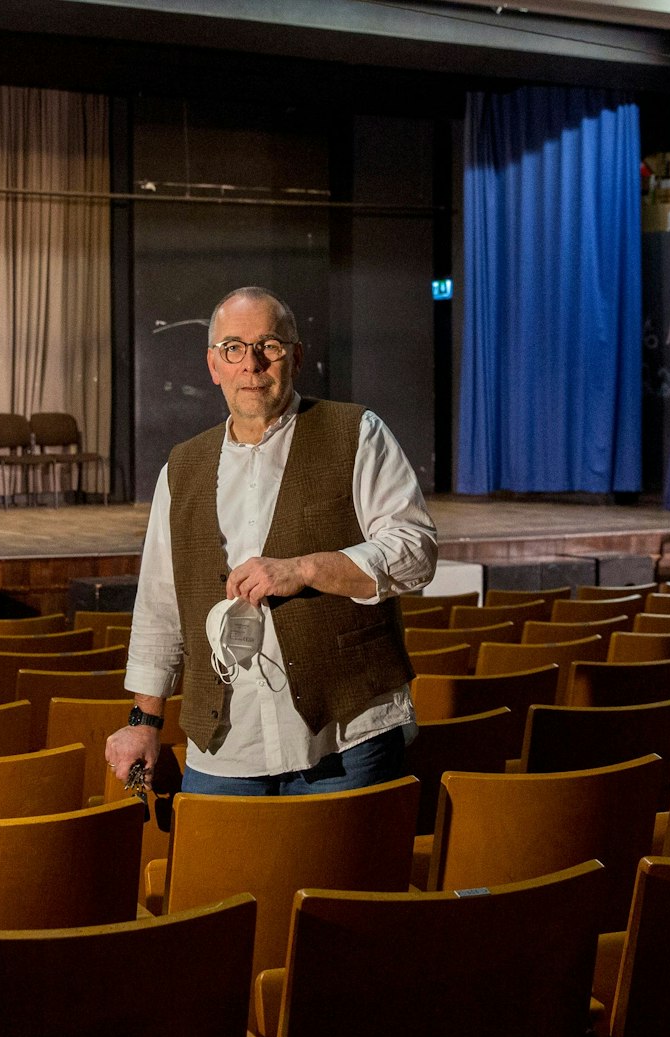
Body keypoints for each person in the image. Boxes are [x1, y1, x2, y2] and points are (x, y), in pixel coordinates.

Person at [104, 286, 437, 795]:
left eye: (269, 346)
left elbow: (416, 550)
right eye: (233, 348)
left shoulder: (357, 432)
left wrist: (304, 569)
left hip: (347, 737)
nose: (251, 364)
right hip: (227, 747)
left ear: (295, 357)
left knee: (348, 856)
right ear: (213, 365)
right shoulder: (181, 468)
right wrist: (144, 721)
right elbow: (159, 606)